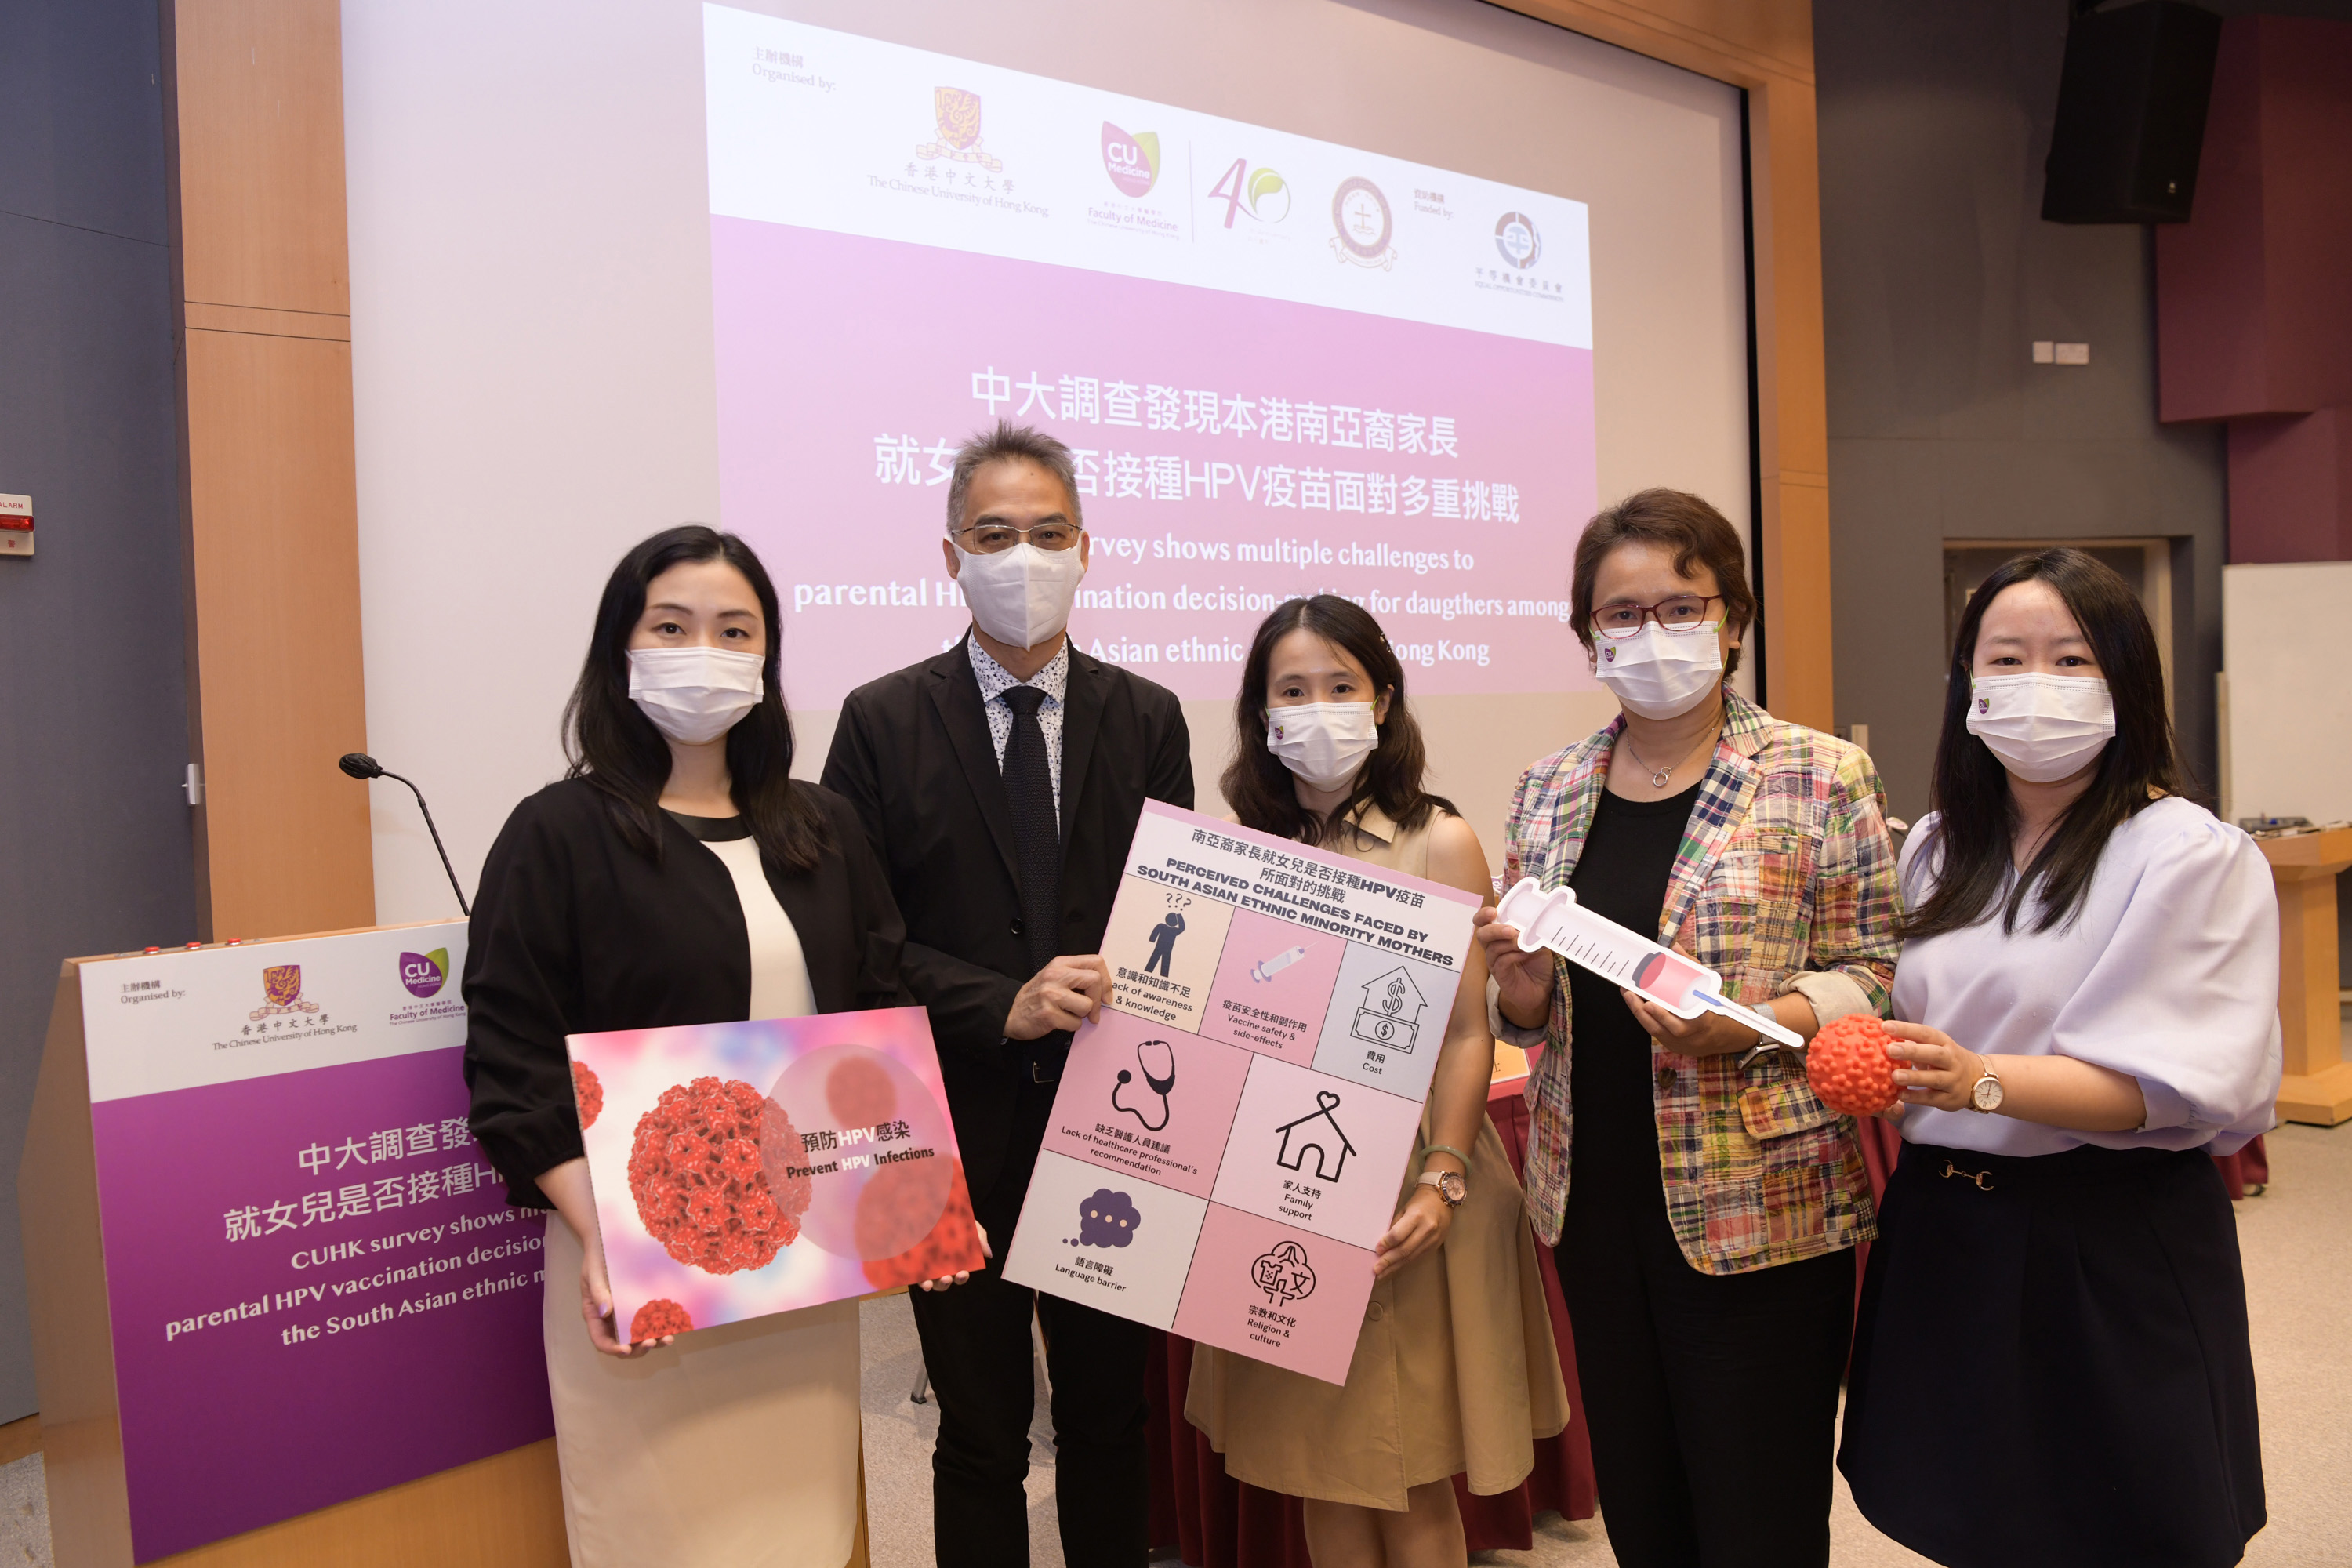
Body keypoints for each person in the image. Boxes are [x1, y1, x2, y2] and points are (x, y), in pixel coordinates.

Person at [462, 525, 954, 1568]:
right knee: (661, 1535)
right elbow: (512, 1063)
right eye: (672, 626)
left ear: (767, 661)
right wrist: (602, 1237)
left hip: (794, 1282)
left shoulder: (822, 829)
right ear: (620, 651)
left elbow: (877, 1015)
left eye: (736, 630)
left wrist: (911, 1201)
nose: (707, 649)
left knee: (804, 1530)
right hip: (634, 1267)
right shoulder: (558, 833)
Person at [1472, 488, 1900, 1568]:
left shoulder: (1818, 774)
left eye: (1680, 605)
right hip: (1595, 1201)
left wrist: (1750, 1027)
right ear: (1587, 637)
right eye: (1621, 615)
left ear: (1733, 619)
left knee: (1758, 1516)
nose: (1650, 634)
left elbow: (1873, 975)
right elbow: (1529, 1007)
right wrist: (1518, 992)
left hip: (1761, 1205)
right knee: (1646, 1507)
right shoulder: (1549, 789)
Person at [1839, 549, 2276, 1568]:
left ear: (2126, 681)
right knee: (1972, 1513)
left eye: (2073, 659)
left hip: (2107, 1235)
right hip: (1947, 1223)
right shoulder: (1939, 847)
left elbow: (2175, 1083)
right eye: (2008, 657)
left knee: (2127, 1518)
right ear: (1969, 684)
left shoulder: (2187, 853)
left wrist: (1978, 1076)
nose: (2038, 684)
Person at [822, 422, 1192, 1566]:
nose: (1020, 556)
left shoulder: (1147, 717)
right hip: (945, 1127)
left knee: (1106, 1420)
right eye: (994, 535)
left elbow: (1177, 917)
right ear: (950, 556)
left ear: (1088, 547)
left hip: (1119, 1125)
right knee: (980, 1431)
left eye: (1045, 534)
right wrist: (1001, 1002)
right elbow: (856, 942)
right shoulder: (881, 722)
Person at [1185, 596, 1569, 1568]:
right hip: (1284, 1180)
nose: (1318, 708)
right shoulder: (1250, 850)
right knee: (1322, 1464)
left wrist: (1442, 1176)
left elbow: (1466, 1031)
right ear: (1262, 715)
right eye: (1293, 690)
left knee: (1409, 1473)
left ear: (1385, 699)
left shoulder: (1438, 837)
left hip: (1413, 1176)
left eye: (1341, 686)